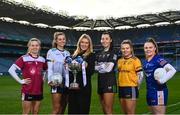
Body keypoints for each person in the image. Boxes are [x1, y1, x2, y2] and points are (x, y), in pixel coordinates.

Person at [8, 38, 47, 114]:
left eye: (37, 45)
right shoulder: (24, 58)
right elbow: (11, 70)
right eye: (32, 45)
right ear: (29, 47)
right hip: (27, 90)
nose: (35, 47)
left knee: (35, 112)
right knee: (26, 112)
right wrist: (20, 81)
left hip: (39, 90)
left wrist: (44, 77)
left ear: (39, 47)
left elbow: (47, 69)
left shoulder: (42, 59)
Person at [143, 38, 176, 114]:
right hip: (149, 92)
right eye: (146, 48)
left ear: (155, 48)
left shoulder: (159, 60)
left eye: (150, 47)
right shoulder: (145, 61)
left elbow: (172, 70)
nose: (148, 49)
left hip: (159, 92)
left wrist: (162, 81)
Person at [68, 34, 95, 114]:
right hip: (73, 87)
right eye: (82, 42)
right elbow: (70, 73)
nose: (84, 44)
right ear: (79, 43)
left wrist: (85, 64)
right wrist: (67, 66)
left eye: (86, 43)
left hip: (84, 88)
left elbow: (91, 72)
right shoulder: (74, 55)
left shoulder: (91, 55)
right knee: (72, 110)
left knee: (83, 110)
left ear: (89, 44)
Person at [117, 39, 143, 114]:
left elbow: (140, 74)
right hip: (121, 88)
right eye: (123, 48)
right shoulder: (120, 61)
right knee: (125, 112)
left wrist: (137, 86)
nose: (125, 50)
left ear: (131, 49)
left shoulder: (135, 60)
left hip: (131, 88)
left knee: (130, 112)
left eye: (127, 48)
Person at [46, 32, 70, 114]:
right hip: (56, 81)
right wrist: (50, 80)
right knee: (56, 108)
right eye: (59, 39)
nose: (62, 41)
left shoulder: (68, 53)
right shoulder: (51, 52)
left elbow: (68, 68)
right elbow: (50, 68)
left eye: (63, 39)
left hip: (66, 82)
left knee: (63, 107)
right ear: (56, 41)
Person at [95, 32, 117, 114]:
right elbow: (95, 68)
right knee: (104, 109)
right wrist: (103, 65)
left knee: (108, 110)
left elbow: (108, 68)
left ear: (110, 40)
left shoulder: (113, 52)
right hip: (100, 82)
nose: (104, 40)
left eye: (106, 39)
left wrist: (99, 66)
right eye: (102, 39)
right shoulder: (99, 53)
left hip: (110, 82)